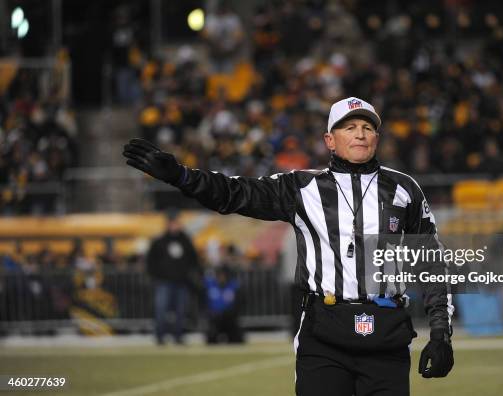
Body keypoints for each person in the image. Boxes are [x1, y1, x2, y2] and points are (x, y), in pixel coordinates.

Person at [124, 97, 454, 394]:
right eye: (349, 127)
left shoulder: (404, 189)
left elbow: (431, 262)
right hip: (325, 334)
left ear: (377, 139)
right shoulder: (302, 187)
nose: (360, 133)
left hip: (386, 337)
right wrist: (181, 176)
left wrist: (440, 331)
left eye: (368, 127)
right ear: (330, 140)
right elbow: (236, 192)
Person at [146, 209, 200, 345]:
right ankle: (160, 337)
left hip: (182, 282)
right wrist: (155, 276)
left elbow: (194, 259)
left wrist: (192, 274)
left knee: (181, 311)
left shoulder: (186, 240)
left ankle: (178, 336)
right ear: (168, 224)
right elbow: (151, 261)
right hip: (163, 282)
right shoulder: (159, 241)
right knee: (161, 310)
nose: (176, 225)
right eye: (173, 222)